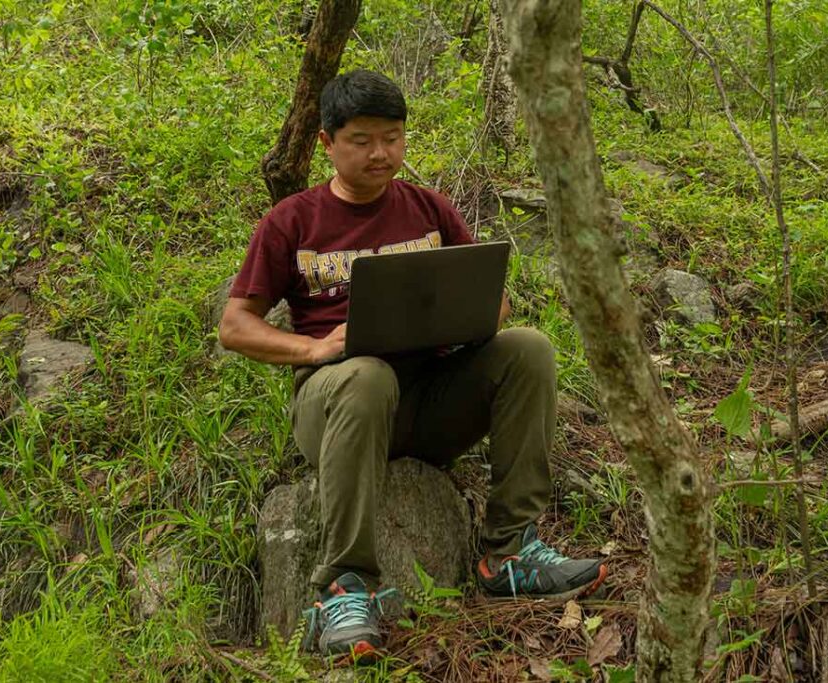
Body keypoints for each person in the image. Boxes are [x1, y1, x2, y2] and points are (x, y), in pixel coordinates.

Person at [218, 69, 606, 661]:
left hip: (428, 403)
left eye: (394, 138)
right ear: (327, 143)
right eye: (363, 140)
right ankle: (344, 590)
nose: (382, 153)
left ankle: (509, 553)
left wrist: (464, 320)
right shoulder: (294, 221)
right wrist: (315, 349)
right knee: (365, 374)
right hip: (338, 405)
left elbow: (493, 301)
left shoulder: (428, 209)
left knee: (528, 347)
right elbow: (235, 325)